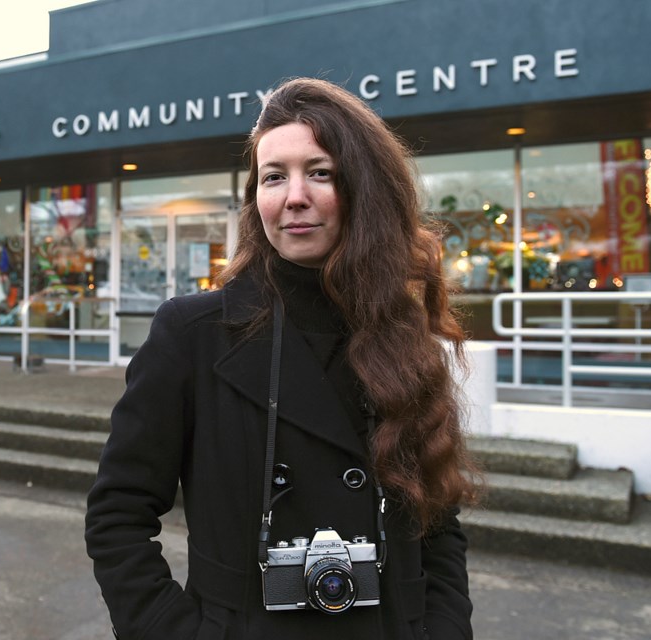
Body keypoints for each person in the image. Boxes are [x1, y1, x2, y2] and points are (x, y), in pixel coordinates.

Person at [85, 77, 478, 640]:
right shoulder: (194, 334)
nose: (294, 195)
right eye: (274, 177)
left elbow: (438, 526)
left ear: (365, 190)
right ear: (256, 201)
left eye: (319, 172)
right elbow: (117, 516)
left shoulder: (403, 335)